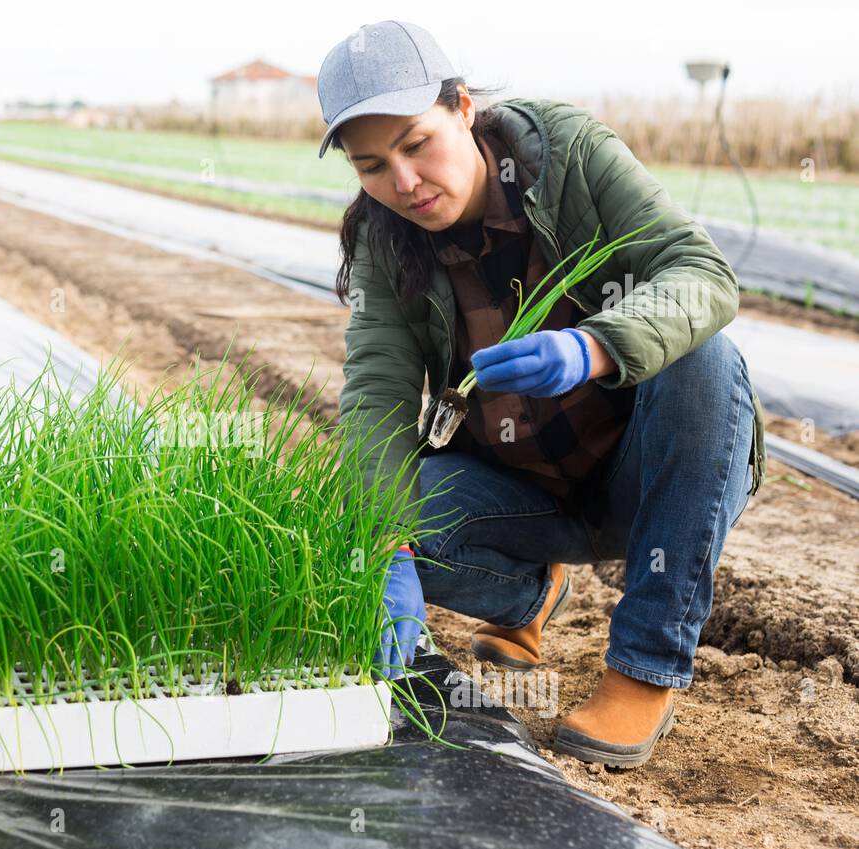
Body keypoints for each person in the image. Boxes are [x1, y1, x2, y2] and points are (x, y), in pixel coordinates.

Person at [317, 20, 766, 768]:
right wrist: (382, 543)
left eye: (416, 143)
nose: (403, 183)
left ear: (462, 106)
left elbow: (702, 274)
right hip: (519, 490)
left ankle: (642, 671)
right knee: (383, 513)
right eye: (371, 165)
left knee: (705, 359)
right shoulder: (382, 239)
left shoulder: (567, 156)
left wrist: (594, 347)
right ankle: (530, 600)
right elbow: (377, 394)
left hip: (640, 470)